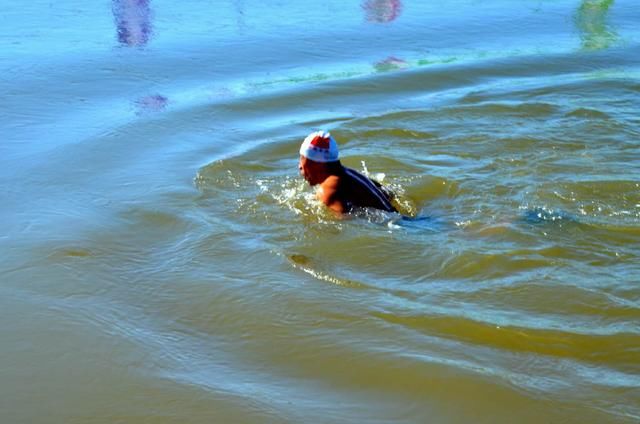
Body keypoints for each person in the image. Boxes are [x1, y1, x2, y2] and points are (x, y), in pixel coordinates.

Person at [298, 131, 397, 214]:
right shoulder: (348, 173)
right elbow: (389, 194)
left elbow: (345, 222)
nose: (300, 166)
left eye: (303, 158)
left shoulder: (328, 190)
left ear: (318, 164)